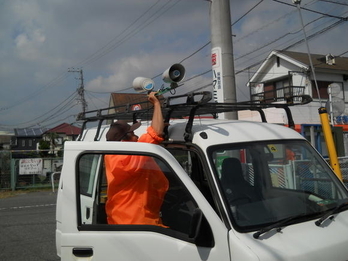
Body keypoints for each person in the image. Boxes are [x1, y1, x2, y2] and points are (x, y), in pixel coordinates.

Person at [104, 92, 169, 226]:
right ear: (125, 139)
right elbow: (156, 133)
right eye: (133, 133)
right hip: (138, 221)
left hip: (121, 218)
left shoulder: (111, 155)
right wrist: (156, 104)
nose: (137, 137)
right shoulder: (128, 158)